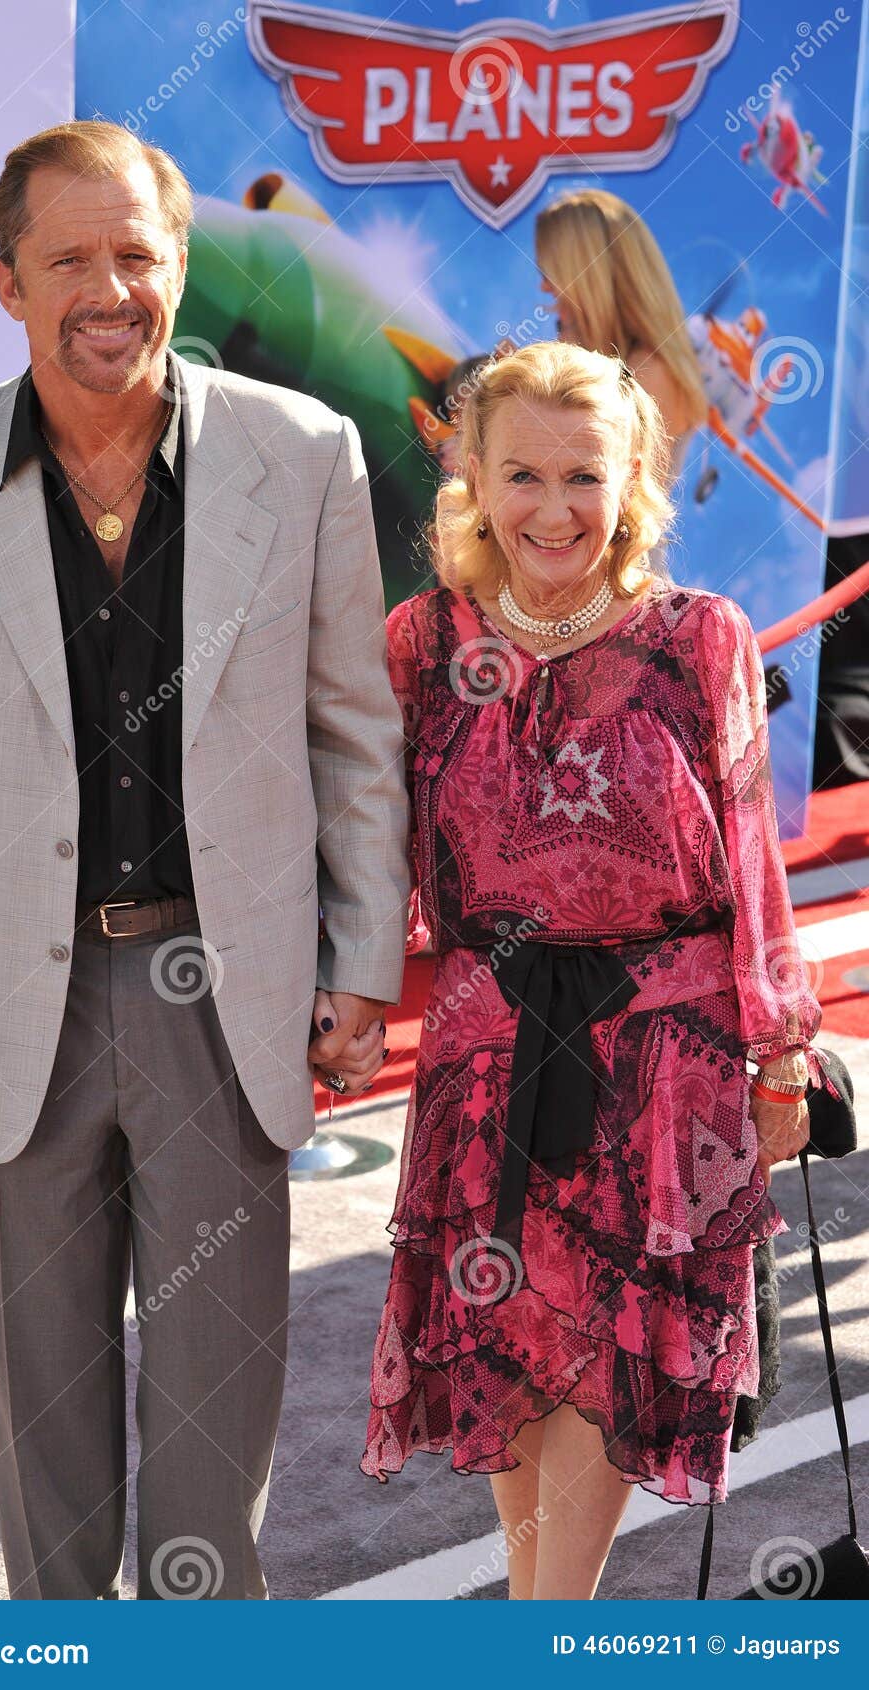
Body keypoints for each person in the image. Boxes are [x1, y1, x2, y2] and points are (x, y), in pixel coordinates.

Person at [0, 119, 411, 1600]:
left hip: (229, 998)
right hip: (16, 998)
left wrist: (360, 961)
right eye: (68, 258)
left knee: (219, 1442)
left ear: (181, 265)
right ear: (10, 281)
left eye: (136, 254)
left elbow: (353, 732)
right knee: (45, 1441)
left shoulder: (304, 454)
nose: (108, 287)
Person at [360, 339, 822, 1600]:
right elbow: (367, 845)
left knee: (611, 1362)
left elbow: (747, 850)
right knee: (513, 1353)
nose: (552, 510)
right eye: (521, 474)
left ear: (632, 485)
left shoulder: (698, 640)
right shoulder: (421, 642)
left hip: (659, 1064)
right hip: (485, 1054)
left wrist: (780, 1042)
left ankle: (543, 1629)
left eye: (583, 476)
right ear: (469, 477)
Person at [534, 188, 707, 480]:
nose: (545, 288)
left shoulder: (649, 375)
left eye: (551, 274)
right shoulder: (621, 363)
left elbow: (603, 491)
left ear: (591, 280)